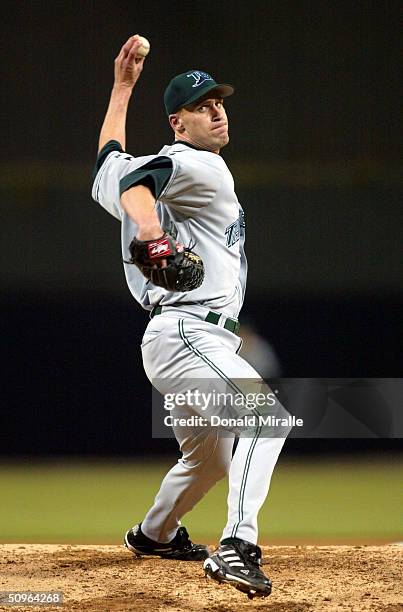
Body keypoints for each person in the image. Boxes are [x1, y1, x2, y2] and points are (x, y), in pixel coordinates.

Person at [92, 35, 289, 599]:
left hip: (182, 336)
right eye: (202, 107)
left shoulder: (171, 163)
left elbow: (110, 167)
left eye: (219, 101)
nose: (217, 110)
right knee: (265, 417)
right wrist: (152, 236)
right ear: (180, 123)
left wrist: (122, 89)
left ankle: (155, 534)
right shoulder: (196, 163)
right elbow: (136, 185)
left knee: (207, 458)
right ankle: (238, 546)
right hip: (188, 331)